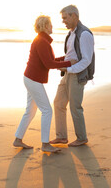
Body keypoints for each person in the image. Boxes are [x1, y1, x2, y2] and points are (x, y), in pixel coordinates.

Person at [13, 15, 76, 152]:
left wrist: (65, 58)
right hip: (33, 79)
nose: (52, 27)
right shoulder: (42, 41)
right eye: (50, 25)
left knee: (30, 111)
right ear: (45, 26)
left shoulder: (42, 41)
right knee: (47, 110)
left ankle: (18, 139)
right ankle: (45, 144)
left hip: (30, 78)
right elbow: (49, 64)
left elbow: (49, 60)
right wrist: (68, 62)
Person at [50, 5, 95, 147]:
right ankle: (62, 137)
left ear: (74, 16)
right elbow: (70, 55)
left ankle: (82, 138)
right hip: (68, 73)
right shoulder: (70, 34)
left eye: (65, 18)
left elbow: (86, 60)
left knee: (75, 107)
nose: (63, 21)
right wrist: (56, 62)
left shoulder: (84, 34)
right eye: (62, 18)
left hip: (77, 75)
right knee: (58, 103)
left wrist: (69, 68)